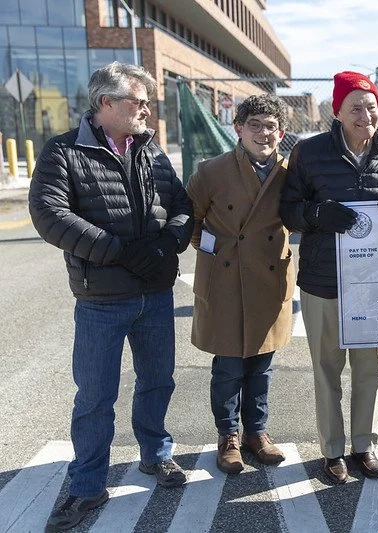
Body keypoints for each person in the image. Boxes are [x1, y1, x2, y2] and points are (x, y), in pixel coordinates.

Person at [28, 62, 193, 531]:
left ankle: (155, 454)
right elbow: (49, 215)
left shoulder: (150, 150)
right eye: (138, 102)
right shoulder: (64, 151)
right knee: (96, 397)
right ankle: (87, 485)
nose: (146, 110)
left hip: (155, 295)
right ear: (106, 103)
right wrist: (120, 252)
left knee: (157, 380)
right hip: (101, 298)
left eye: (147, 103)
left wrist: (166, 245)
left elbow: (181, 206)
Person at [279, 71, 378, 484]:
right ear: (337, 112)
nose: (365, 115)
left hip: (375, 282)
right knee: (327, 368)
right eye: (355, 107)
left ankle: (363, 445)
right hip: (324, 279)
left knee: (368, 367)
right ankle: (332, 450)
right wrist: (317, 214)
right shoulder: (309, 153)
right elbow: (289, 210)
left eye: (371, 106)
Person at [186, 94, 296, 474]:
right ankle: (228, 436)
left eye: (271, 127)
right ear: (238, 129)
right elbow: (189, 218)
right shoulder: (212, 171)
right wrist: (212, 249)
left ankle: (257, 433)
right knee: (229, 365)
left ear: (281, 132)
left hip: (269, 277)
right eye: (255, 125)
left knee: (262, 365)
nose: (263, 133)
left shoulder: (290, 172)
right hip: (226, 279)